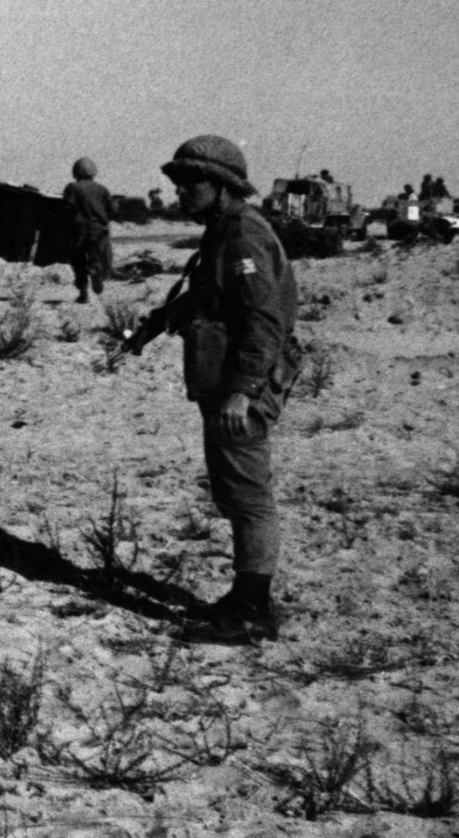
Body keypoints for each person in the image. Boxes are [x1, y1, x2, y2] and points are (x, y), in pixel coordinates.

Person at [126, 135, 299, 645]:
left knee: (247, 494)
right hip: (225, 382)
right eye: (176, 183)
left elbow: (262, 322)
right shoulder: (222, 232)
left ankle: (251, 609)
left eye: (189, 182)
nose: (179, 192)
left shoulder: (243, 236)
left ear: (221, 185)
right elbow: (204, 298)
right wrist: (147, 331)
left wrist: (242, 390)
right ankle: (248, 596)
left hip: (239, 385)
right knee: (232, 488)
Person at [62, 156, 113, 304]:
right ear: (93, 172)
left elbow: (68, 207)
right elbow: (112, 209)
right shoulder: (102, 189)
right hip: (98, 229)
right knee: (96, 257)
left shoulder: (72, 188)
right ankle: (95, 272)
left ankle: (83, 292)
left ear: (75, 172)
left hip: (77, 230)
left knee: (78, 260)